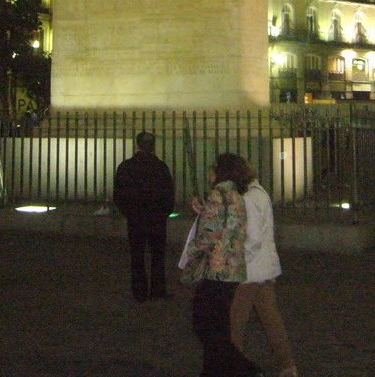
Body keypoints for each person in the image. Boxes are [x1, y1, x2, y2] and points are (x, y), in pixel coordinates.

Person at [183, 153, 262, 377]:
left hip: (216, 269)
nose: (209, 172)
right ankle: (213, 371)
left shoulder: (218, 194)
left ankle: (246, 369)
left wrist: (194, 249)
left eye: (212, 168)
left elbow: (208, 235)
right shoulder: (233, 193)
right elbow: (229, 224)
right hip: (232, 268)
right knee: (218, 325)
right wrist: (204, 211)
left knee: (205, 326)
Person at [230, 170, 298, 377]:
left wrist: (238, 260)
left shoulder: (249, 198)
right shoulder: (260, 193)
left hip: (251, 272)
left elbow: (252, 239)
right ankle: (287, 366)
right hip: (265, 269)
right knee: (271, 319)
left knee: (234, 320)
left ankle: (230, 365)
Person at [113, 131, 175, 302]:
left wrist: (129, 212)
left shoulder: (126, 167)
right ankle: (158, 289)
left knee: (137, 256)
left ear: (137, 145)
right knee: (158, 255)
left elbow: (118, 194)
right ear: (153, 147)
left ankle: (139, 292)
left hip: (136, 217)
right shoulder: (161, 167)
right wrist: (163, 213)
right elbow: (169, 195)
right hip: (157, 218)